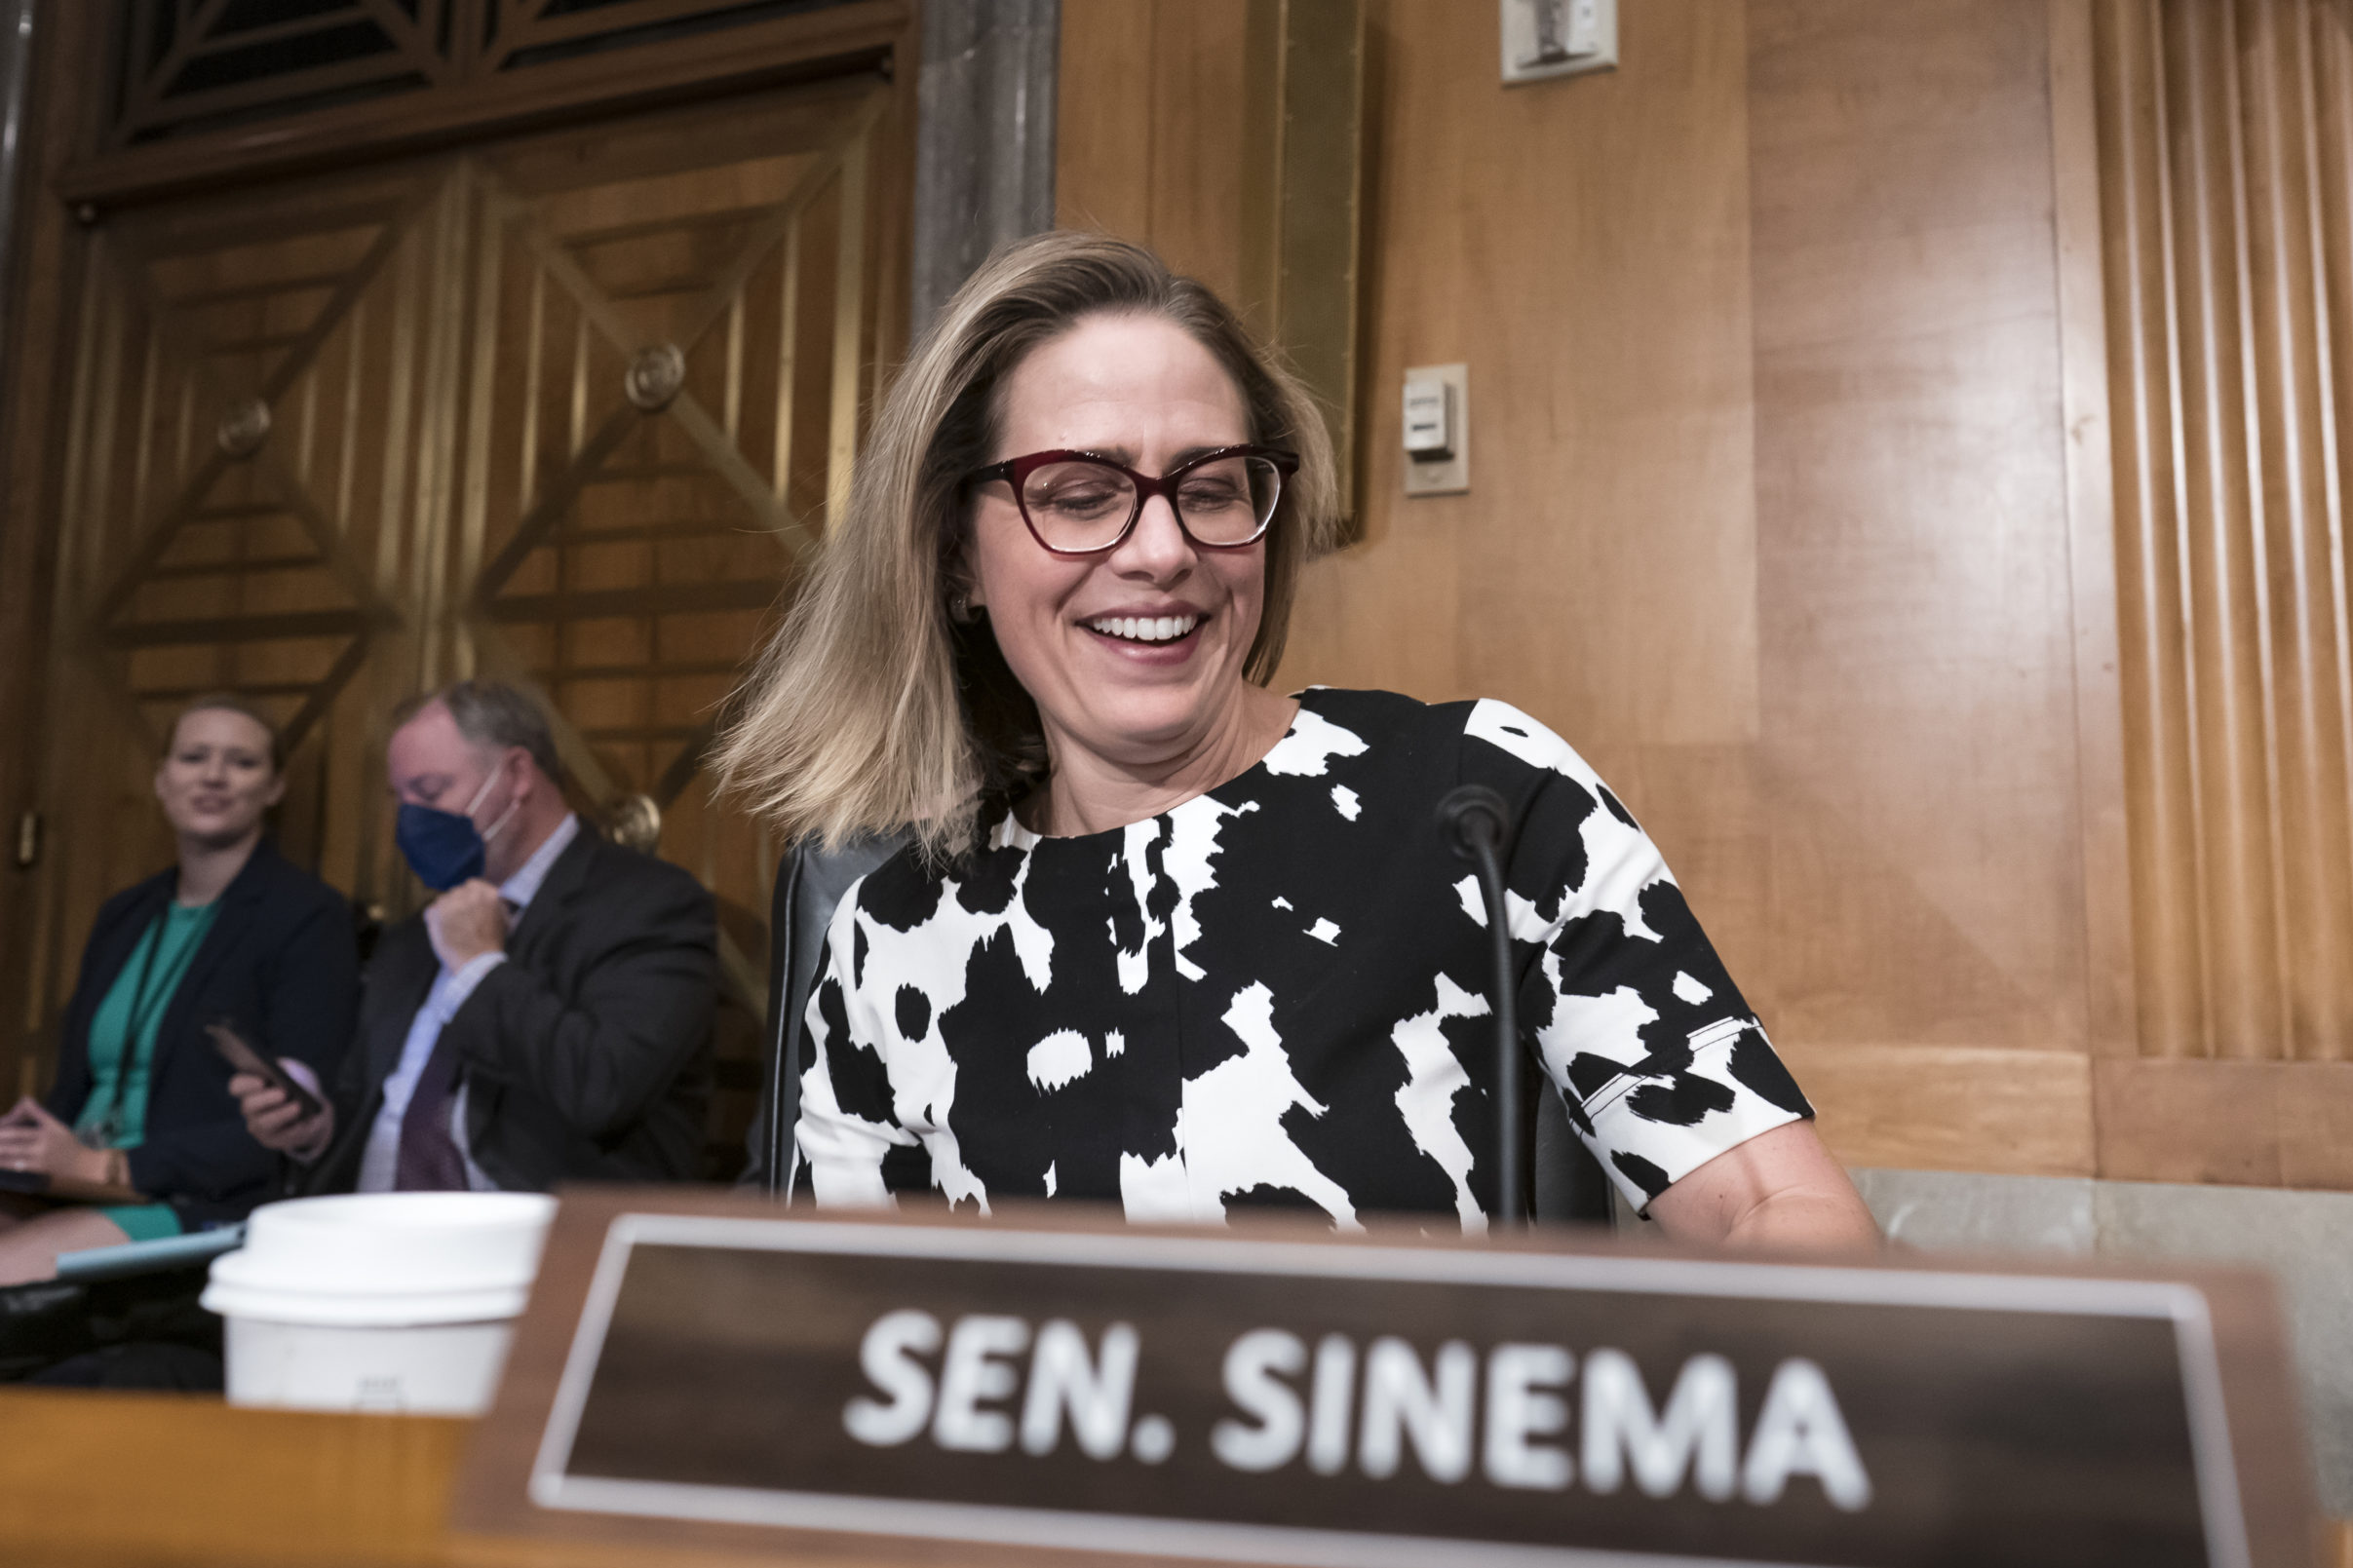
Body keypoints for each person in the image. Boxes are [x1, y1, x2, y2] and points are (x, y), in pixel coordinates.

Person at [716, 233, 1877, 1248]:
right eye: (1078, 495)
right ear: (958, 557)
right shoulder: (893, 935)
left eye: (1212, 488)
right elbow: (837, 1361)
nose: (1162, 550)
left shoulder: (1477, 801)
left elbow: (1780, 1212)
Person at [232, 680, 717, 1194]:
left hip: (536, 1244)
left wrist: (480, 970)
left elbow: (602, 1090)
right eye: (400, 798)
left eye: (431, 790)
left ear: (516, 775)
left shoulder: (650, 906)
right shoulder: (413, 937)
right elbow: (368, 1105)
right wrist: (313, 1128)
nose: (409, 819)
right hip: (370, 1237)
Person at [0, 696, 359, 1285]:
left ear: (274, 788)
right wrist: (30, 1139)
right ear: (162, 779)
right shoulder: (125, 913)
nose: (214, 776)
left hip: (196, 1198)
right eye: (194, 757)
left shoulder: (307, 916)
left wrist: (110, 1166)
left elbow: (295, 1122)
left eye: (242, 762)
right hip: (72, 1183)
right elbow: (77, 1087)